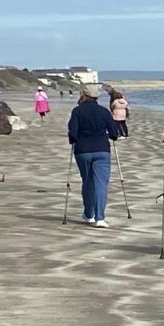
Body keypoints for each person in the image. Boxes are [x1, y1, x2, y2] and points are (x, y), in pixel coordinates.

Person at [65, 82, 117, 225]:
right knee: (101, 184)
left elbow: (73, 133)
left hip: (83, 150)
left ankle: (89, 214)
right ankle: (100, 218)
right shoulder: (104, 111)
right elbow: (114, 133)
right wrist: (111, 136)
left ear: (84, 95)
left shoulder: (77, 111)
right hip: (102, 150)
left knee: (87, 182)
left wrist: (72, 139)